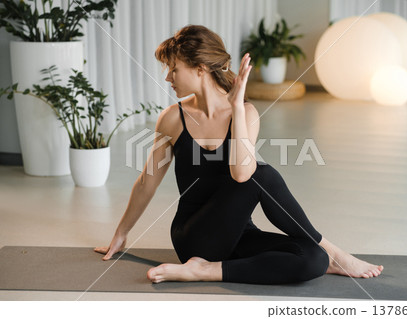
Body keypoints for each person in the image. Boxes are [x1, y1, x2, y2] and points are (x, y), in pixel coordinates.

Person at [95, 25, 383, 284]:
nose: (168, 77)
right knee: (263, 174)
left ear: (200, 68)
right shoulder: (172, 118)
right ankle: (333, 251)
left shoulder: (245, 113)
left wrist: (236, 109)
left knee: (312, 259)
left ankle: (207, 271)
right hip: (194, 237)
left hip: (238, 234)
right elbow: (148, 182)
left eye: (173, 69)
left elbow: (239, 172)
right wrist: (121, 234)